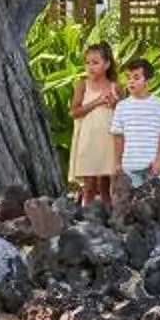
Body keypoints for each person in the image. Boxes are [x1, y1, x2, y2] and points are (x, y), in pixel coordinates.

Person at [108, 58, 160, 197]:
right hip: (129, 168)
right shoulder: (122, 107)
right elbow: (118, 137)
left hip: (151, 168)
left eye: (136, 77)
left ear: (148, 81)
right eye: (128, 78)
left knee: (152, 204)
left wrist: (159, 160)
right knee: (128, 203)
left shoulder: (158, 105)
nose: (131, 81)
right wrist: (117, 164)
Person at [66, 42, 120, 202]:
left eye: (95, 62)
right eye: (87, 62)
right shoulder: (82, 85)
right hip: (88, 142)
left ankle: (107, 220)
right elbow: (75, 112)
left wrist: (115, 103)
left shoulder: (114, 86)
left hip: (107, 141)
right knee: (89, 185)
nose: (90, 66)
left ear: (107, 64)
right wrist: (97, 101)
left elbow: (122, 112)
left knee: (105, 184)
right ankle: (87, 219)